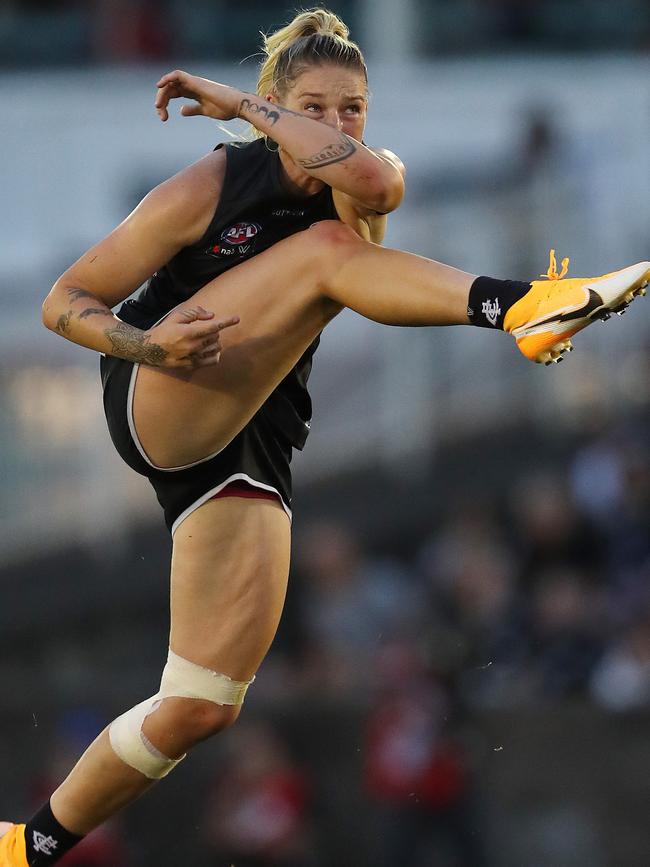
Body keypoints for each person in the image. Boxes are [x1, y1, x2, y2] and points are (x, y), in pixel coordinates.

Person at [1, 8, 648, 866]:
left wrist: (245, 101)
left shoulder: (362, 180)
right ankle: (525, 307)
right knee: (321, 252)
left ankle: (28, 844)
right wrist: (146, 343)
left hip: (254, 438)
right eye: (314, 106)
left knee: (202, 702)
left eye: (353, 110)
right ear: (277, 105)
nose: (337, 126)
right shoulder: (209, 185)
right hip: (163, 388)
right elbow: (63, 302)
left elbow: (379, 189)